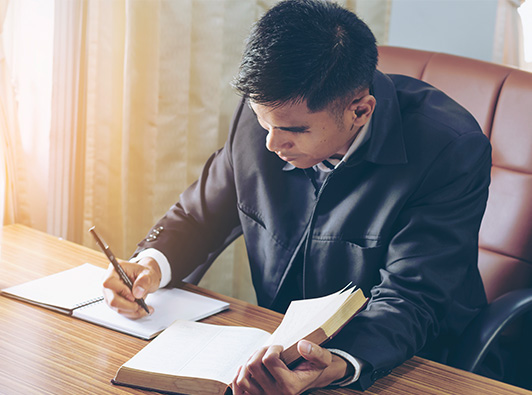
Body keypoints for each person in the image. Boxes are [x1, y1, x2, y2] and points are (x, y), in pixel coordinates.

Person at [102, 0, 493, 393]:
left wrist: (340, 362)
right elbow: (200, 215)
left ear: (360, 111)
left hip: (401, 366)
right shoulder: (271, 113)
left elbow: (412, 297)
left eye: (294, 130)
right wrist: (150, 264)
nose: (271, 143)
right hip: (279, 360)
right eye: (262, 120)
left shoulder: (449, 149)